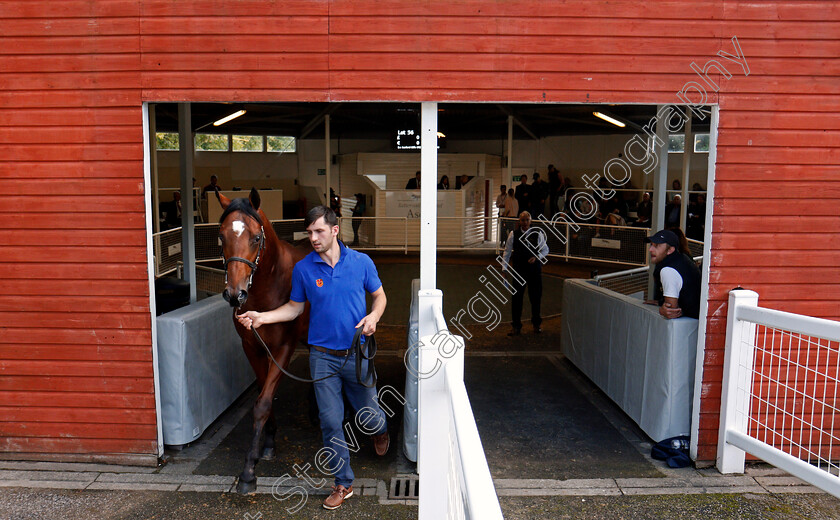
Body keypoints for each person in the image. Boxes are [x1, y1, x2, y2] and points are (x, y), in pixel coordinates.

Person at [236, 206, 390, 510]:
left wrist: (374, 316)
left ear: (335, 230)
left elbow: (380, 296)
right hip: (322, 359)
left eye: (319, 231)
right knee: (331, 421)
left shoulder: (361, 262)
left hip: (357, 354)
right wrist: (262, 317)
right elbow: (294, 308)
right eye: (309, 232)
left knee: (369, 414)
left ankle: (380, 429)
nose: (313, 237)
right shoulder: (305, 268)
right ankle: (342, 483)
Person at [503, 211, 548, 335]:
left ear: (530, 221)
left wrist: (536, 257)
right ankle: (516, 326)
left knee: (536, 298)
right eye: (523, 220)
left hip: (534, 270)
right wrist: (504, 269)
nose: (525, 222)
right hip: (518, 270)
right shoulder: (513, 234)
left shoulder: (538, 234)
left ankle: (536, 324)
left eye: (527, 220)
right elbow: (507, 252)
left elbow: (545, 249)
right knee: (517, 299)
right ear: (519, 221)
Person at [644, 229, 701, 320]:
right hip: (700, 322)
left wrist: (662, 311)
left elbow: (671, 311)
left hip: (692, 326)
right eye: (651, 244)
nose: (650, 249)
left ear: (670, 250)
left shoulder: (668, 270)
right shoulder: (681, 259)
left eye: (657, 246)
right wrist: (661, 302)